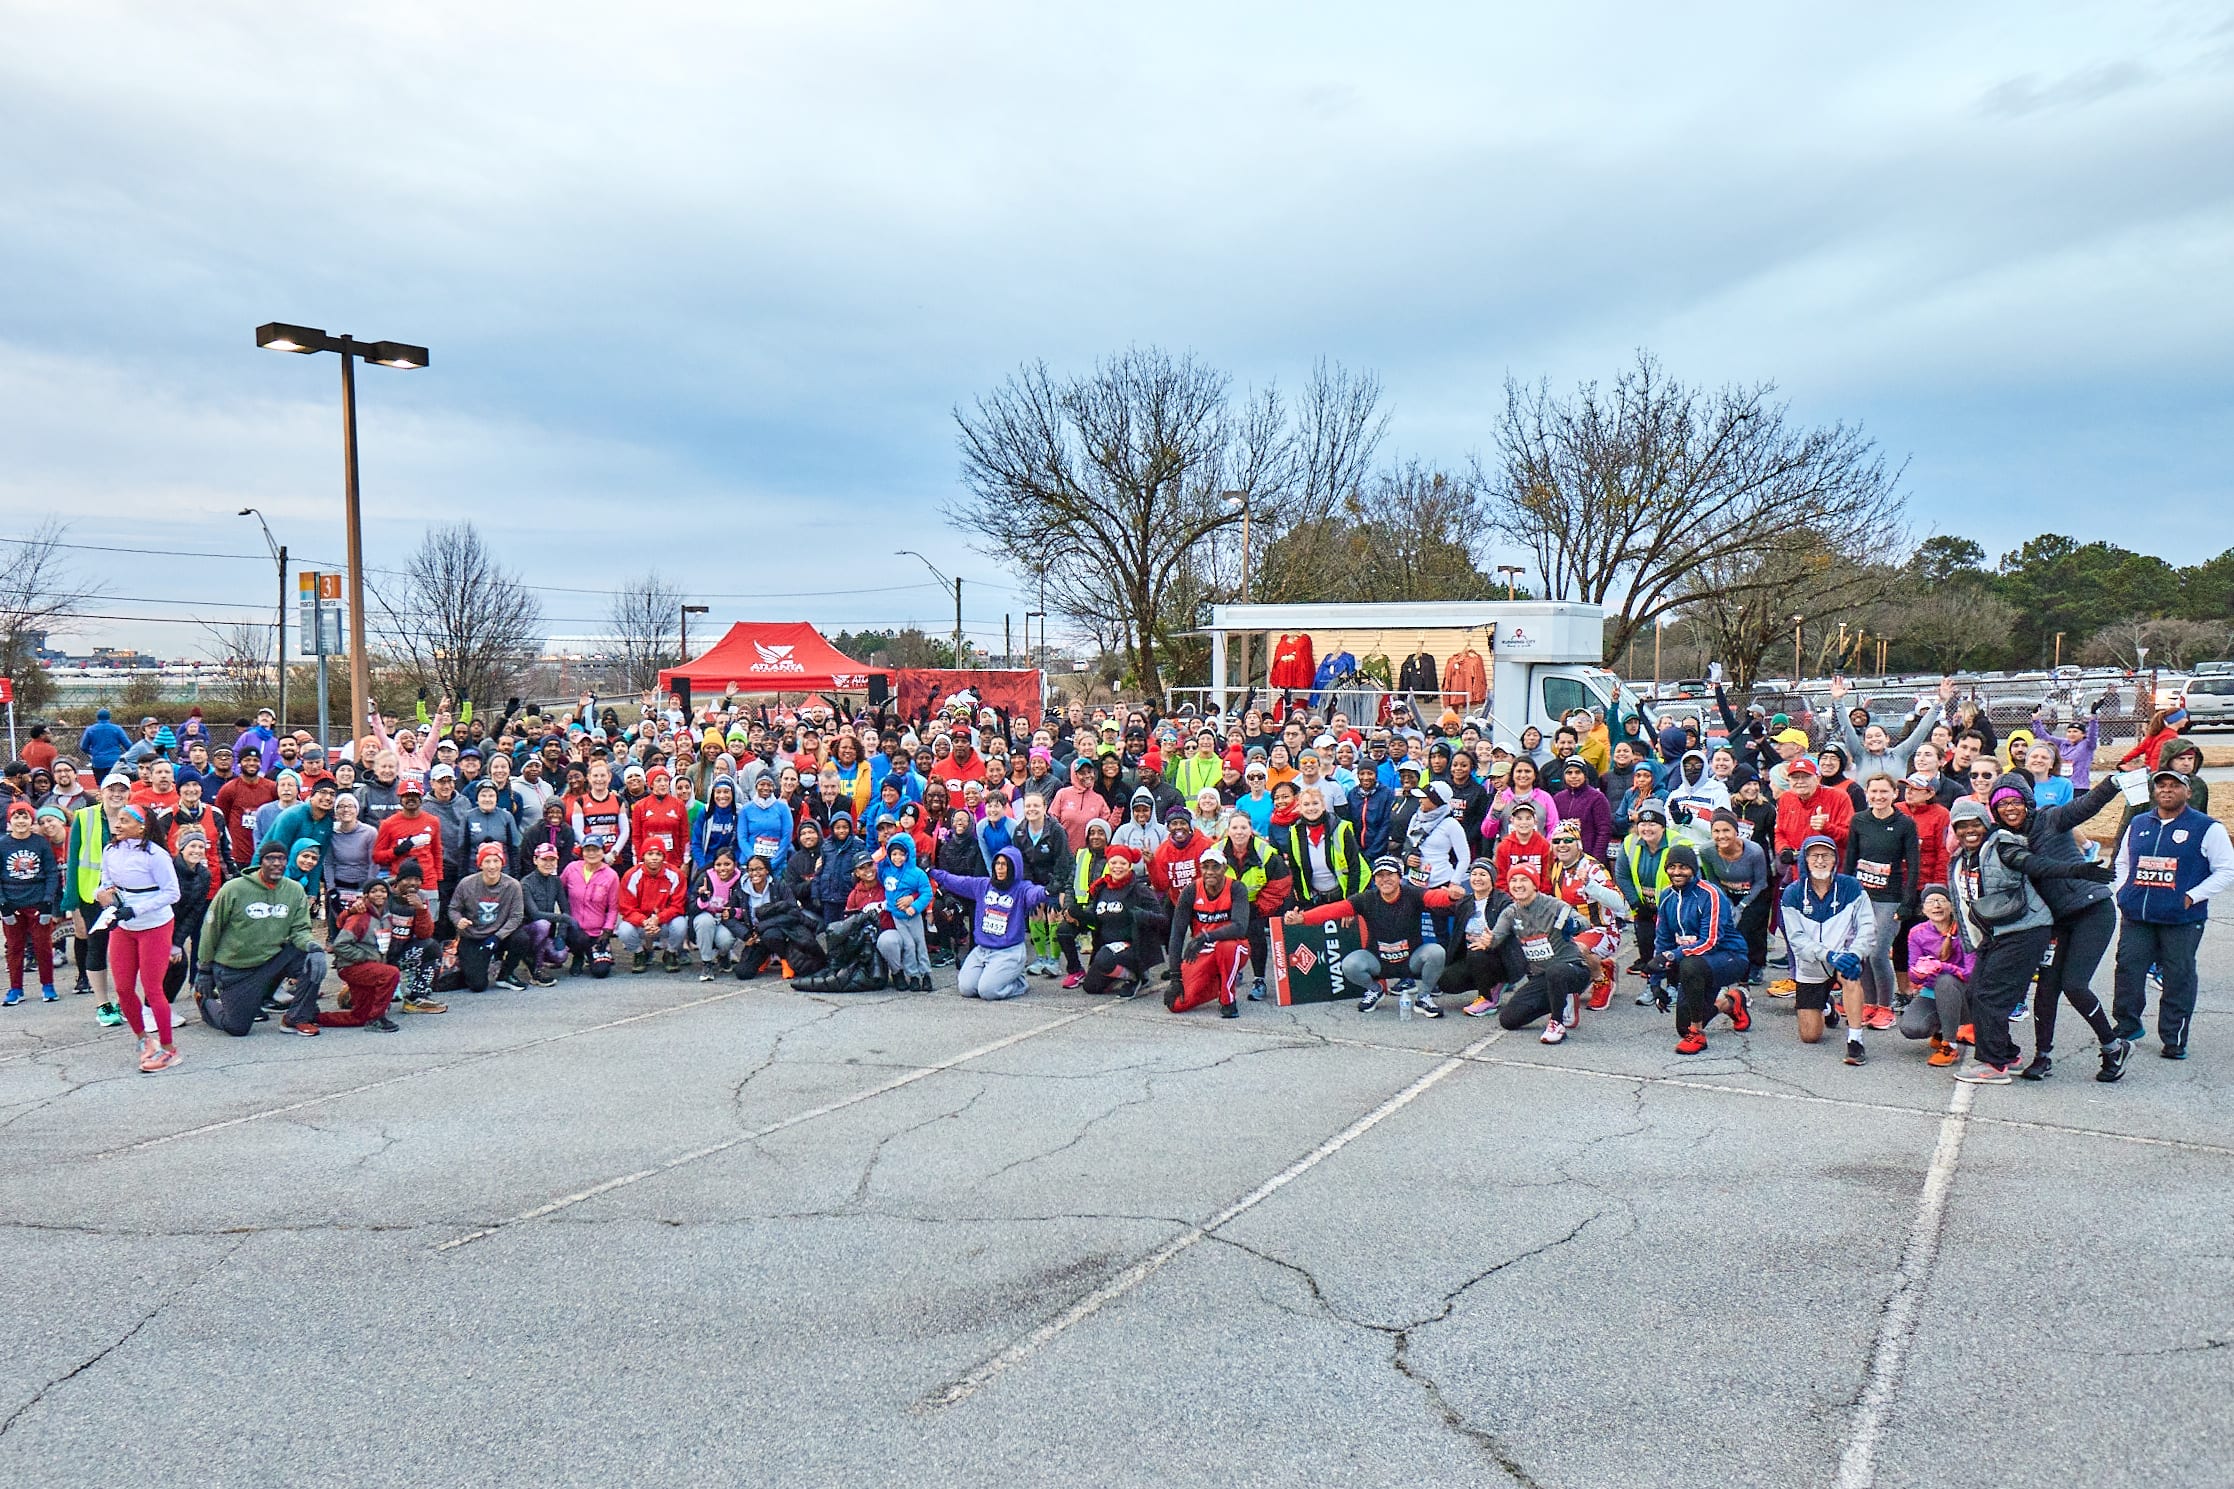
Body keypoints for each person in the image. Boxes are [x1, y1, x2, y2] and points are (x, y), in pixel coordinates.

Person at [1947, 794, 2113, 1083]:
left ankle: (1994, 1064)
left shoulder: (2002, 846)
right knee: (1974, 993)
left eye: (1974, 823)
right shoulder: (1962, 858)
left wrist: (2077, 870)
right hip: (1996, 932)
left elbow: (2034, 864)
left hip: (2024, 930)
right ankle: (2009, 1054)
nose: (1968, 830)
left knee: (1992, 997)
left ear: (1986, 824)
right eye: (1961, 826)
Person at [2110, 767, 2234, 1061]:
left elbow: (2226, 870)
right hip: (2137, 915)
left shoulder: (2206, 827)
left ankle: (2174, 1037)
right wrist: (2122, 892)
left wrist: (2193, 896)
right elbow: (2122, 862)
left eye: (2174, 785)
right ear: (2154, 791)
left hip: (2181, 919)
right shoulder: (2140, 822)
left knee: (2178, 977)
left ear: (2188, 792)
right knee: (2128, 970)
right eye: (2161, 785)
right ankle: (2127, 1026)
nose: (2167, 790)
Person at [1286, 854, 1461, 1016]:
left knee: (1436, 952)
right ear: (1375, 880)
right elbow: (1333, 910)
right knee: (1350, 964)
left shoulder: (1413, 894)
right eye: (1380, 875)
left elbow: (1434, 898)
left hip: (1411, 961)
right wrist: (1302, 918)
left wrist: (1451, 897)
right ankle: (1375, 990)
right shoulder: (1366, 899)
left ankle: (1423, 998)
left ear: (1400, 877)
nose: (1385, 879)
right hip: (1378, 961)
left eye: (1390, 874)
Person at [195, 840, 326, 1039]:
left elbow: (300, 930)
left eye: (281, 859)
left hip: (271, 960)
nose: (276, 863)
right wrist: (204, 970)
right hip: (236, 968)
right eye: (270, 858)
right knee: (237, 1028)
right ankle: (204, 1001)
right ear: (260, 861)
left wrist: (314, 948)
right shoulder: (233, 889)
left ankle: (296, 1018)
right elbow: (210, 930)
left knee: (310, 958)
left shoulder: (295, 890)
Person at [1781, 834, 1875, 1066]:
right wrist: (1827, 954)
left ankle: (1855, 1040)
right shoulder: (1792, 893)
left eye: (1826, 855)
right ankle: (1827, 1007)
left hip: (1844, 956)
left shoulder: (1852, 887)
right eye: (1814, 855)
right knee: (1810, 1036)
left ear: (1835, 860)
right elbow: (1796, 939)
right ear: (1804, 860)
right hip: (1812, 963)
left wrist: (1855, 953)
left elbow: (1867, 926)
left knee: (1851, 976)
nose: (1820, 860)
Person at [1477, 864, 1596, 1043]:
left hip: (1572, 970)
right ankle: (1562, 1000)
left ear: (1534, 884)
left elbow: (1584, 921)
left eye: (1524, 880)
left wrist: (1573, 925)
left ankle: (1557, 1023)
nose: (1518, 885)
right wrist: (1489, 941)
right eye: (1514, 881)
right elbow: (1496, 936)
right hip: (1542, 976)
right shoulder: (1510, 913)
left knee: (1556, 971)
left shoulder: (1552, 904)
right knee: (1509, 1020)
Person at [1655, 845, 1752, 1054]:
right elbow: (1662, 941)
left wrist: (1672, 955)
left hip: (1730, 957)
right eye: (1671, 867)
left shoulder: (1711, 893)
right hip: (1697, 961)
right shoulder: (1665, 897)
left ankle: (1697, 1034)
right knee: (1682, 1026)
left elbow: (1710, 941)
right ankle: (1730, 1002)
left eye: (1683, 867)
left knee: (1689, 965)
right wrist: (1656, 984)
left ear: (1693, 869)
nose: (1677, 872)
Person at [1842, 773, 1921, 1028]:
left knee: (1878, 953)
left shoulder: (1904, 823)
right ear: (1867, 793)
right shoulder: (1859, 820)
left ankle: (1886, 1007)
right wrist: (1844, 895)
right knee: (1861, 951)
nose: (1878, 797)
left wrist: (1908, 902)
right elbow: (1850, 860)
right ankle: (1869, 1004)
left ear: (1894, 794)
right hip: (1862, 896)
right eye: (1873, 792)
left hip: (1890, 897)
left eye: (1884, 792)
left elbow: (1914, 865)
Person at [931, 845, 1045, 1002]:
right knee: (966, 988)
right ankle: (996, 975)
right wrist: (930, 871)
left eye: (1004, 864)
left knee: (987, 991)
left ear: (1014, 867)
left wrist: (1046, 892)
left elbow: (1034, 894)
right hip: (982, 950)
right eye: (997, 864)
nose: (1000, 868)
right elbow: (955, 881)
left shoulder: (1021, 889)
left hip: (1009, 952)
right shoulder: (983, 885)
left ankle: (1019, 983)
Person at [1167, 850, 1254, 1017]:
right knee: (1176, 1004)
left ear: (1225, 868)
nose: (1210, 872)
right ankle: (1218, 984)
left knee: (1226, 947)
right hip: (1203, 951)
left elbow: (1239, 927)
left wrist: (1207, 936)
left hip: (1235, 947)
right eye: (1205, 867)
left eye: (1215, 867)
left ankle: (1227, 1000)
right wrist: (1175, 978)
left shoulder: (1237, 888)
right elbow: (1176, 934)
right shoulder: (1191, 891)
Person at [1074, 845, 1166, 997]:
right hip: (1107, 946)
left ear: (1130, 866)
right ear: (1108, 864)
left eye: (1122, 863)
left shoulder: (1139, 889)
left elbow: (1162, 919)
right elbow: (1094, 915)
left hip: (1134, 946)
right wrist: (1077, 914)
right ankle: (1120, 974)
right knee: (1091, 986)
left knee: (1104, 957)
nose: (1117, 867)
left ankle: (1136, 977)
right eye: (1113, 863)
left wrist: (1143, 915)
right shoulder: (1102, 887)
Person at [1900, 886, 1973, 1068]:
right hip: (1932, 993)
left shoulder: (1966, 931)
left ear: (1951, 906)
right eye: (1930, 902)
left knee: (1946, 980)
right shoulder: (1917, 933)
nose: (1936, 906)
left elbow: (1971, 974)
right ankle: (1941, 1029)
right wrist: (1919, 972)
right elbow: (1914, 977)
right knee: (1911, 1028)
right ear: (1923, 909)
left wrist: (1941, 966)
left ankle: (1950, 1045)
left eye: (1941, 900)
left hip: (1966, 997)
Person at [321, 880, 404, 1031]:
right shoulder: (359, 917)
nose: (379, 894)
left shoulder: (387, 917)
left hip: (372, 967)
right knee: (391, 974)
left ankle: (314, 1017)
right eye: (374, 891)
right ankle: (377, 1018)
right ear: (365, 895)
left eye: (383, 891)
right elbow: (339, 945)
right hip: (352, 966)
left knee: (360, 1016)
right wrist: (365, 957)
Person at [2, 801, 61, 1005]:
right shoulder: (3, 844)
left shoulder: (40, 843)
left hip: (37, 903)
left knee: (43, 946)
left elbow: (51, 872)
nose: (21, 821)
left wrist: (47, 901)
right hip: (12, 903)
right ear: (10, 820)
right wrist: (3, 903)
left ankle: (48, 985)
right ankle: (15, 988)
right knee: (15, 948)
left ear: (31, 820)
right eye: (16, 817)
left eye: (25, 816)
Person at [450, 841, 530, 992]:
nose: (492, 866)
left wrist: (497, 937)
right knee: (477, 985)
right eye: (487, 861)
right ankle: (478, 965)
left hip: (499, 935)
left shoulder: (513, 885)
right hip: (473, 935)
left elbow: (516, 917)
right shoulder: (466, 884)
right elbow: (453, 908)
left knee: (522, 938)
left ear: (502, 863)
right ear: (480, 864)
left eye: (496, 861)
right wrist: (458, 920)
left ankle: (505, 975)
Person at [615, 840, 688, 972]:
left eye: (658, 854)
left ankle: (670, 953)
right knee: (624, 929)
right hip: (642, 924)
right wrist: (644, 921)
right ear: (643, 856)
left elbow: (678, 906)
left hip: (665, 922)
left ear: (664, 856)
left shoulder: (676, 875)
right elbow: (626, 908)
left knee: (681, 924)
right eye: (650, 853)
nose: (654, 857)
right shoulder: (631, 875)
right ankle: (639, 953)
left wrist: (658, 918)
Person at [875, 834, 935, 991]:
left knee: (920, 944)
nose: (897, 858)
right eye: (894, 854)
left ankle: (926, 974)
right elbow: (879, 870)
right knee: (908, 946)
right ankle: (913, 976)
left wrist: (914, 907)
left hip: (912, 916)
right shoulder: (887, 871)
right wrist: (883, 851)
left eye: (901, 854)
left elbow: (927, 893)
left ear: (908, 854)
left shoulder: (917, 873)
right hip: (897, 916)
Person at [560, 838, 621, 977]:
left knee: (601, 971)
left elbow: (613, 908)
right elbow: (559, 889)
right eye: (587, 850)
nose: (591, 853)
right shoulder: (571, 868)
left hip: (597, 932)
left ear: (603, 852)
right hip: (574, 929)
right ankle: (578, 957)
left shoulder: (611, 875)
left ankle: (594, 954)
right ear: (582, 852)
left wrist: (607, 931)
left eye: (596, 850)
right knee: (578, 938)